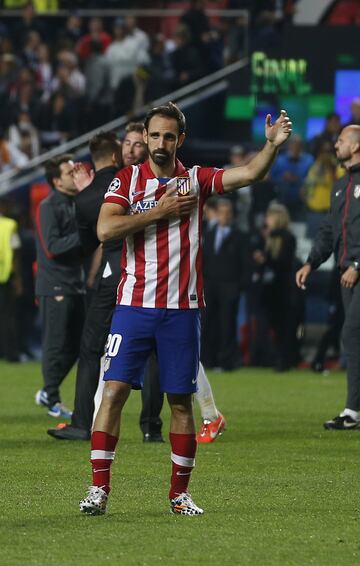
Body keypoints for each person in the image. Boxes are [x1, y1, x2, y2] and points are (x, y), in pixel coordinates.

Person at [79, 102, 292, 516]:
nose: (159, 144)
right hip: (133, 305)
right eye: (154, 136)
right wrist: (159, 212)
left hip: (182, 310)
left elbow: (250, 173)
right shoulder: (126, 180)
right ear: (146, 137)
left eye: (168, 136)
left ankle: (179, 494)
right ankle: (99, 489)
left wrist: (270, 147)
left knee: (180, 402)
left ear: (181, 140)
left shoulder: (196, 180)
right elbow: (105, 228)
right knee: (114, 392)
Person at [47, 125, 146, 441]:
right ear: (117, 153)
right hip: (149, 271)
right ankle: (152, 428)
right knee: (158, 350)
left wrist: (87, 193)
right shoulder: (138, 182)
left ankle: (81, 423)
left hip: (113, 273)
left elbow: (88, 244)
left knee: (91, 347)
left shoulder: (88, 196)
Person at [296, 125, 360, 430]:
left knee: (352, 333)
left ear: (357, 145)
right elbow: (327, 230)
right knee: (352, 336)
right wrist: (311, 262)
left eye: (342, 140)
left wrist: (357, 263)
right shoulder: (340, 185)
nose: (336, 144)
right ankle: (354, 411)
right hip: (346, 274)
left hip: (355, 271)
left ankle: (353, 411)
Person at [35, 155, 85, 418]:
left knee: (79, 344)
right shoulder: (48, 206)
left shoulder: (75, 203)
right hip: (55, 285)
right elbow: (52, 248)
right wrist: (85, 235)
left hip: (75, 283)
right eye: (70, 172)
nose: (76, 175)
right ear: (56, 181)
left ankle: (47, 390)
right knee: (55, 344)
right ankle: (52, 398)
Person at [254, 203, 302, 371]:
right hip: (269, 289)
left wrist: (264, 259)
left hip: (282, 289)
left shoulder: (287, 238)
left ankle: (284, 360)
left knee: (282, 327)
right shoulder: (268, 237)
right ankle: (272, 357)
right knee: (273, 326)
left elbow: (282, 264)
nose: (267, 220)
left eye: (270, 216)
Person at [201, 198, 247, 371]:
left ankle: (226, 361)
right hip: (210, 285)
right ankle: (207, 360)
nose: (224, 216)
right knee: (207, 324)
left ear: (232, 215)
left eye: (228, 213)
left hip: (230, 286)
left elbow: (245, 263)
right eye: (221, 212)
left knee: (227, 325)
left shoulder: (240, 236)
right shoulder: (209, 233)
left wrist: (239, 285)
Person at [0, 199, 22, 362]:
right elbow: (15, 252)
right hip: (5, 276)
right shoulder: (10, 225)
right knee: (7, 317)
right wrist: (18, 279)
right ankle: (10, 353)